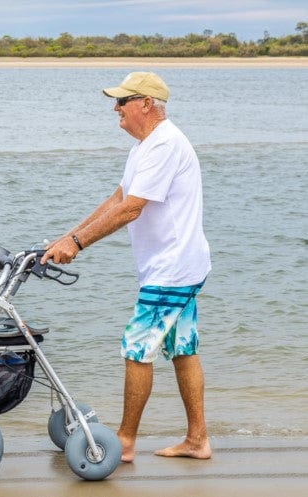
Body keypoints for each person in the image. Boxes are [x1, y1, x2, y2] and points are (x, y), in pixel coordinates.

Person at [41, 71, 212, 462]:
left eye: (122, 101)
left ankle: (126, 441)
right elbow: (117, 198)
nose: (115, 108)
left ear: (146, 104)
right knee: (182, 348)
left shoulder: (165, 144)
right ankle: (198, 439)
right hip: (177, 264)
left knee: (137, 348)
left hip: (173, 266)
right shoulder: (144, 147)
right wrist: (66, 237)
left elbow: (133, 210)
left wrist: (78, 244)